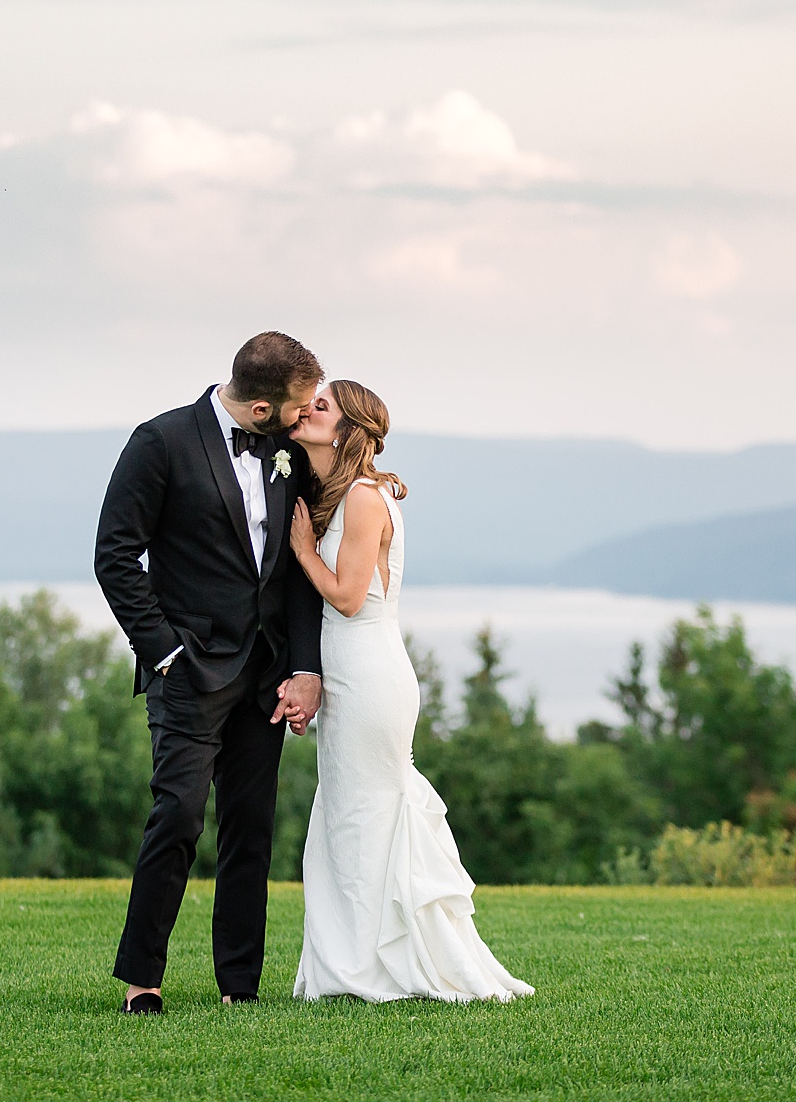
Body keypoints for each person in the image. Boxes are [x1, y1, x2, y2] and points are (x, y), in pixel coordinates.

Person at [95, 331, 327, 1014]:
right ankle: (143, 979)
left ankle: (239, 985)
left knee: (251, 826)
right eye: (298, 405)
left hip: (264, 673)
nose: (305, 414)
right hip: (187, 670)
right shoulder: (159, 441)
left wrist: (305, 666)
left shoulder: (288, 453)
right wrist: (163, 651)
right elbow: (114, 555)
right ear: (261, 408)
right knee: (177, 814)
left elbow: (297, 573)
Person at [286, 380, 534, 1003]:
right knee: (349, 815)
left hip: (369, 672)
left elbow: (345, 596)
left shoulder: (366, 500)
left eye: (321, 407)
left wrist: (302, 551)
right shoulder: (340, 497)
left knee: (370, 814)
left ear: (346, 429)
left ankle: (384, 965)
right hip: (347, 671)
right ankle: (354, 962)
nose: (307, 410)